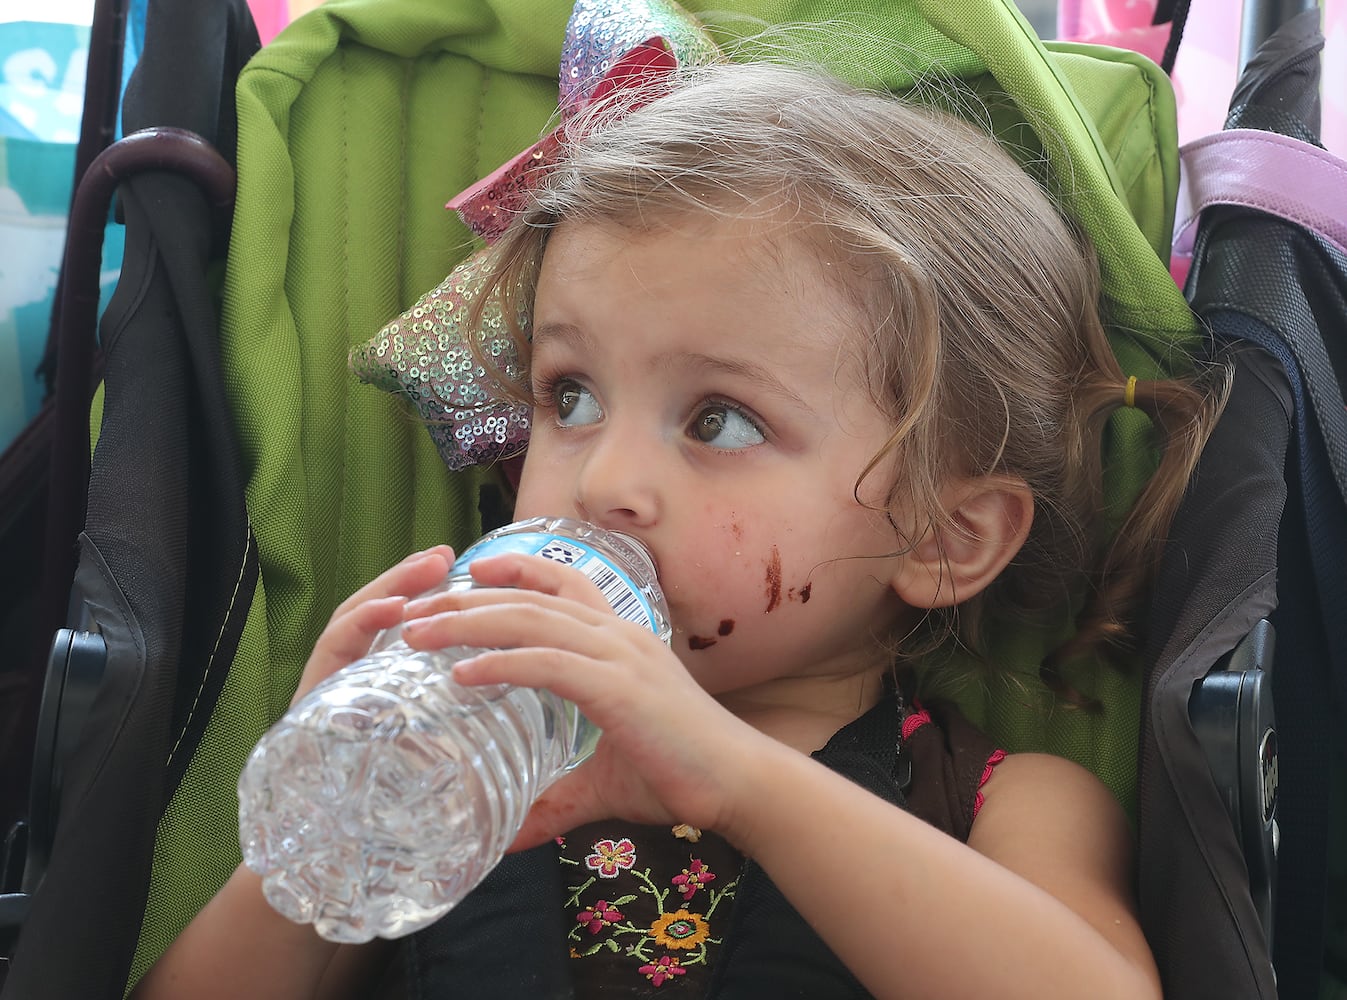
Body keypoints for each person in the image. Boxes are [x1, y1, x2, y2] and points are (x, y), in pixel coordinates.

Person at [132, 60, 1224, 999]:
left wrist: (736, 778)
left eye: (719, 420)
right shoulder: (464, 755)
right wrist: (329, 817)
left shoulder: (1001, 799)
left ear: (943, 534)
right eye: (570, 397)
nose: (603, 479)